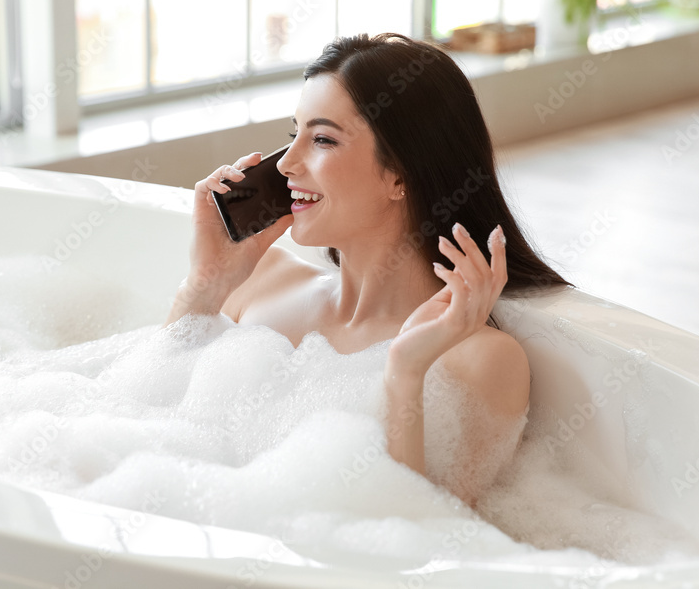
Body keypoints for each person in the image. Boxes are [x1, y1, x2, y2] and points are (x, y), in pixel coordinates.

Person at [165, 32, 570, 508]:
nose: (288, 163)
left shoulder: (478, 359)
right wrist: (205, 285)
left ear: (401, 173)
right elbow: (147, 409)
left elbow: (419, 544)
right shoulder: (258, 279)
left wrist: (405, 372)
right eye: (291, 135)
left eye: (321, 139)